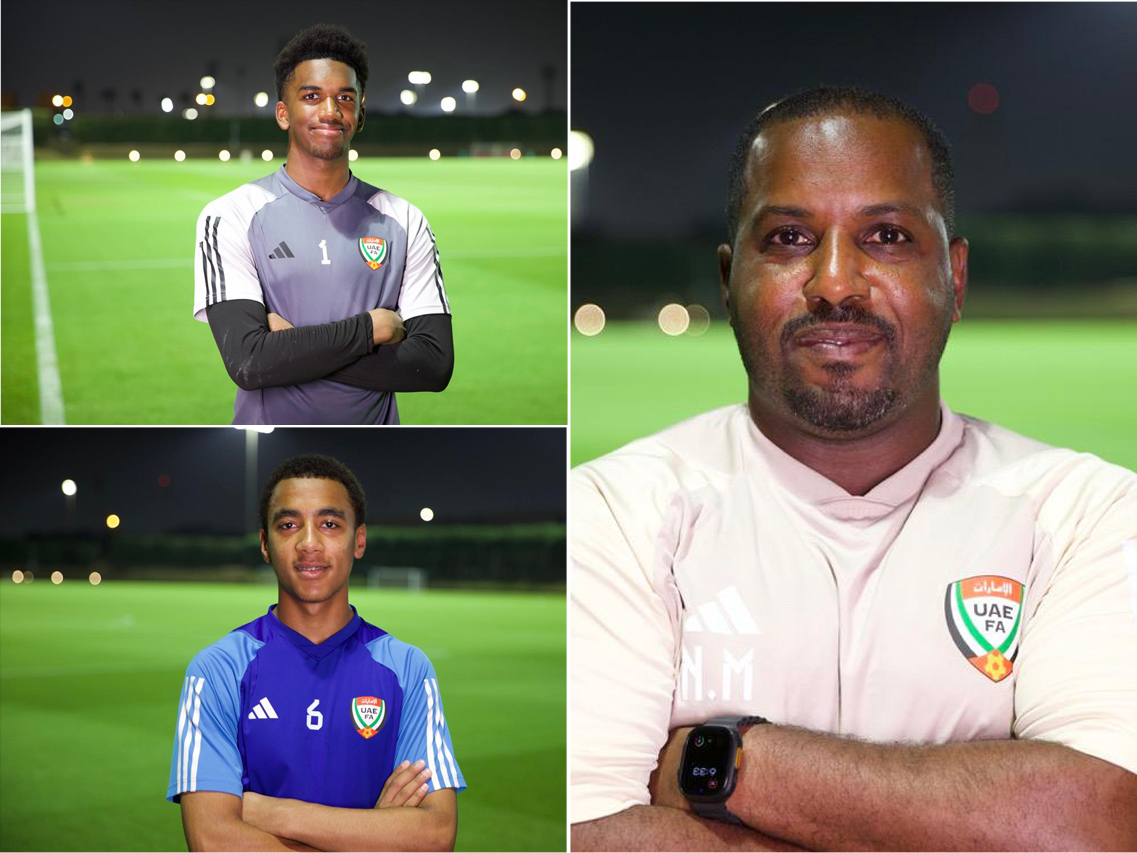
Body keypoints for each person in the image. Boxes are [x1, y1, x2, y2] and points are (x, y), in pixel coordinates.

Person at [570, 86, 1137, 851]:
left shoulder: (1090, 513)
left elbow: (1095, 823)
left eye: (888, 236)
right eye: (789, 240)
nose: (834, 282)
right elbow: (590, 833)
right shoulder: (610, 512)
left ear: (955, 277)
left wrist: (725, 764)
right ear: (728, 278)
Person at [167, 453, 464, 851]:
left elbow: (435, 836)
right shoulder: (219, 668)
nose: (309, 543)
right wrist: (374, 834)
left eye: (329, 524)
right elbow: (213, 841)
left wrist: (271, 813)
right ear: (265, 544)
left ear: (358, 540)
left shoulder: (407, 668)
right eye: (289, 525)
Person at [193, 24, 453, 425]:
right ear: (284, 113)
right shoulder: (231, 215)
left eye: (344, 98)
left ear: (360, 115)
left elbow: (434, 366)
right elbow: (248, 362)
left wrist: (289, 345)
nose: (330, 111)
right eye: (311, 96)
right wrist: (370, 329)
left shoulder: (404, 218)